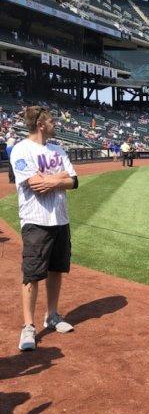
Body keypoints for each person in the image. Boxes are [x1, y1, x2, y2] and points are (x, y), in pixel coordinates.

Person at [12, 106, 78, 352]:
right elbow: (34, 184)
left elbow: (75, 181)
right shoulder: (21, 149)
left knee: (56, 269)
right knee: (32, 274)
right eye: (51, 120)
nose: (55, 124)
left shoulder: (58, 149)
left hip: (60, 219)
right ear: (40, 124)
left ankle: (52, 316)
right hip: (35, 220)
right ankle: (28, 326)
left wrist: (53, 179)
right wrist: (58, 177)